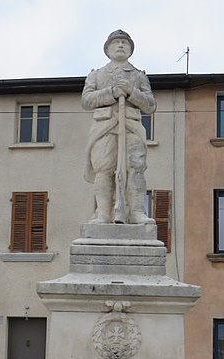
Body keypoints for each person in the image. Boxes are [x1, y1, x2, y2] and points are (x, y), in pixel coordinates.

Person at [82, 30, 156, 224]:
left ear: (131, 49)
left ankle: (136, 212)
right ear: (107, 49)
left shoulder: (139, 76)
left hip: (131, 126)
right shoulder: (96, 75)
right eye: (116, 42)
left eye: (125, 42)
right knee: (104, 169)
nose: (121, 45)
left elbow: (150, 105)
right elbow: (87, 101)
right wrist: (112, 92)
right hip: (104, 127)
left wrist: (131, 91)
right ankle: (104, 214)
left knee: (135, 167)